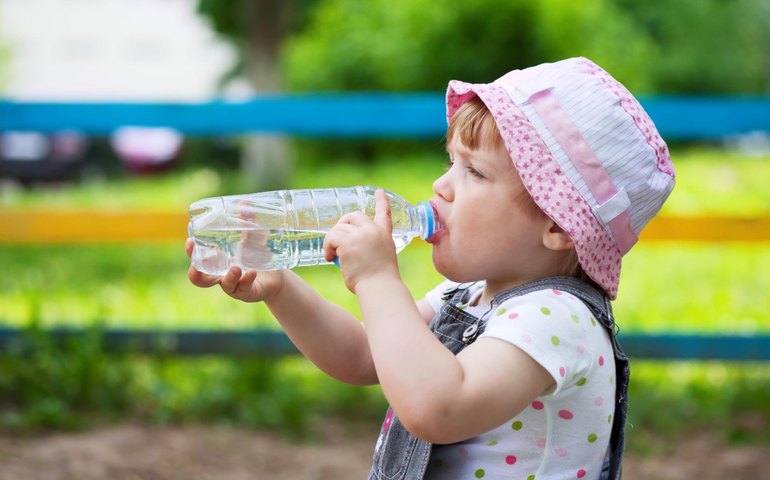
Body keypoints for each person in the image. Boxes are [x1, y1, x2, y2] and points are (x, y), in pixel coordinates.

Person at [186, 57, 675, 479]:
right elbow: (362, 356)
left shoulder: (557, 318)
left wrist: (378, 280)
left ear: (560, 226)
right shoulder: (466, 296)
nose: (442, 186)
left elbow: (437, 407)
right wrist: (281, 288)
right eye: (451, 163)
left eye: (475, 172)